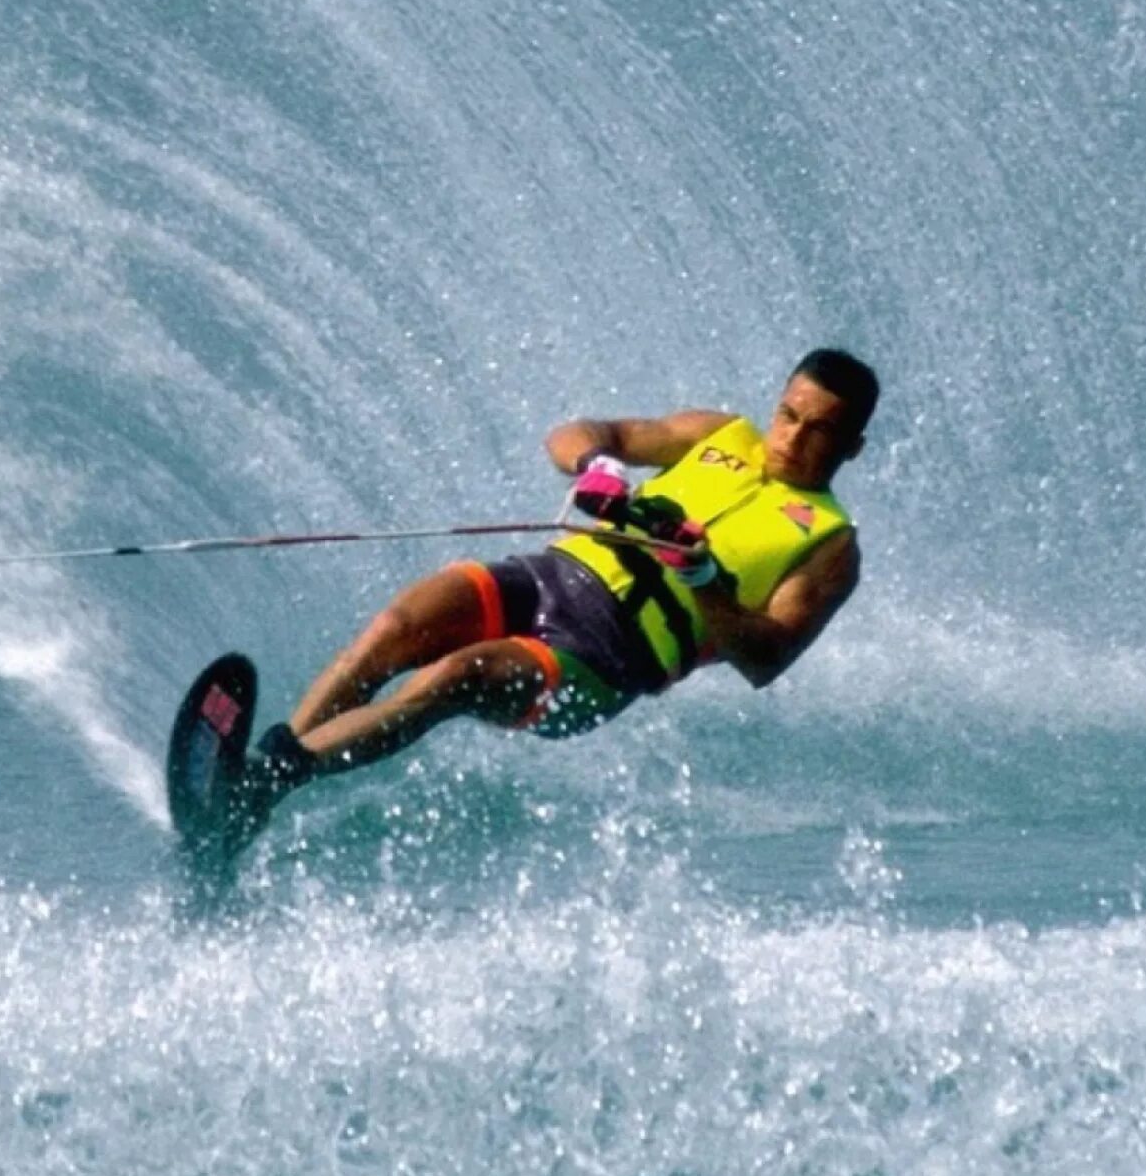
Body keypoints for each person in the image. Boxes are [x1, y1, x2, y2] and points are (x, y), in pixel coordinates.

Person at [234, 348, 877, 821]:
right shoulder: (719, 436)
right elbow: (585, 433)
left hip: (605, 657)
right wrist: (596, 465)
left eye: (819, 429)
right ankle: (254, 782)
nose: (792, 436)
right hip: (548, 577)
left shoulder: (829, 544)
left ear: (853, 446)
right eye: (789, 414)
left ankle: (267, 786)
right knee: (396, 629)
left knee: (458, 675)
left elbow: (767, 658)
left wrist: (703, 578)